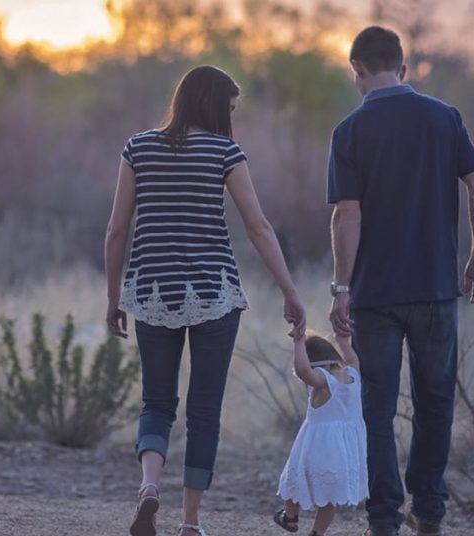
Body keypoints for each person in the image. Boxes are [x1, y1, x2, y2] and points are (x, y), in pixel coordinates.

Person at [104, 65, 305, 536]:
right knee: (204, 410)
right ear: (215, 106)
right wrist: (290, 291)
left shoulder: (138, 148)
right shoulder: (224, 151)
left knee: (156, 402)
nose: (231, 118)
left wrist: (114, 297)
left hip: (152, 291)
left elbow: (116, 229)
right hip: (215, 293)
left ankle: (149, 486)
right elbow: (258, 227)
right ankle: (190, 521)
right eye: (230, 109)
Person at [326, 26, 474, 536]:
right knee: (435, 402)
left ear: (356, 69)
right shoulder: (445, 118)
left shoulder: (349, 130)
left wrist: (341, 288)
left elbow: (347, 215)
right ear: (403, 68)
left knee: (375, 408)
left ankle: (384, 519)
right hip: (435, 290)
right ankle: (429, 511)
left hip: (374, 295)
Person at [274, 331, 369, 536]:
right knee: (329, 499)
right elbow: (353, 360)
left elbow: (303, 370)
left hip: (317, 447)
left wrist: (299, 343)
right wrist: (343, 342)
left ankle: (290, 517)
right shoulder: (353, 375)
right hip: (344, 452)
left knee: (293, 481)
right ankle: (317, 532)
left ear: (313, 363)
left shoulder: (323, 382)